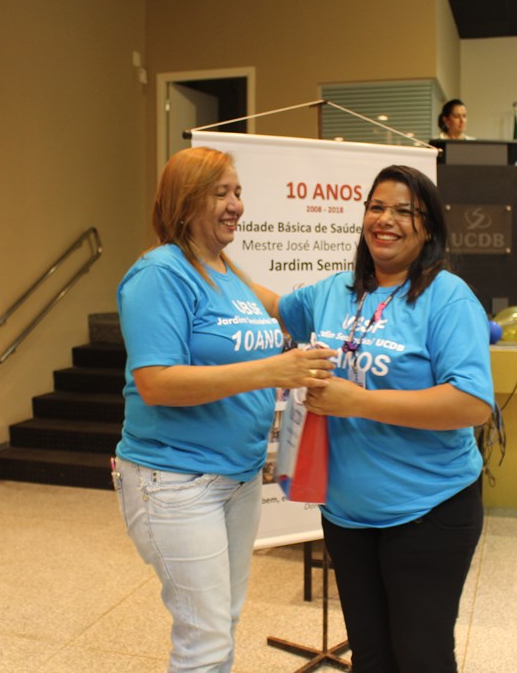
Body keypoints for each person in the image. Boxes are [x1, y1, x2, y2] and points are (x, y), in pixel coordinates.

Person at [255, 165, 494, 672]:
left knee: (421, 657)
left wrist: (357, 402)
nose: (386, 220)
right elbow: (275, 305)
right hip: (346, 515)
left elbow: (472, 403)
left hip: (428, 511)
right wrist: (207, 261)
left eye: (405, 211)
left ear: (427, 228)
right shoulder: (335, 291)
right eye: (377, 207)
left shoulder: (447, 297)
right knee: (371, 657)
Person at [113, 146, 336, 672]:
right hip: (176, 480)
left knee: (221, 623)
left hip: (237, 479)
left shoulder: (228, 272)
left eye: (238, 192)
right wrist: (272, 371)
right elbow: (156, 383)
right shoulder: (160, 274)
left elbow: (286, 311)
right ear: (186, 200)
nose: (237, 204)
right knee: (205, 640)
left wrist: (361, 292)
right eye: (221, 193)